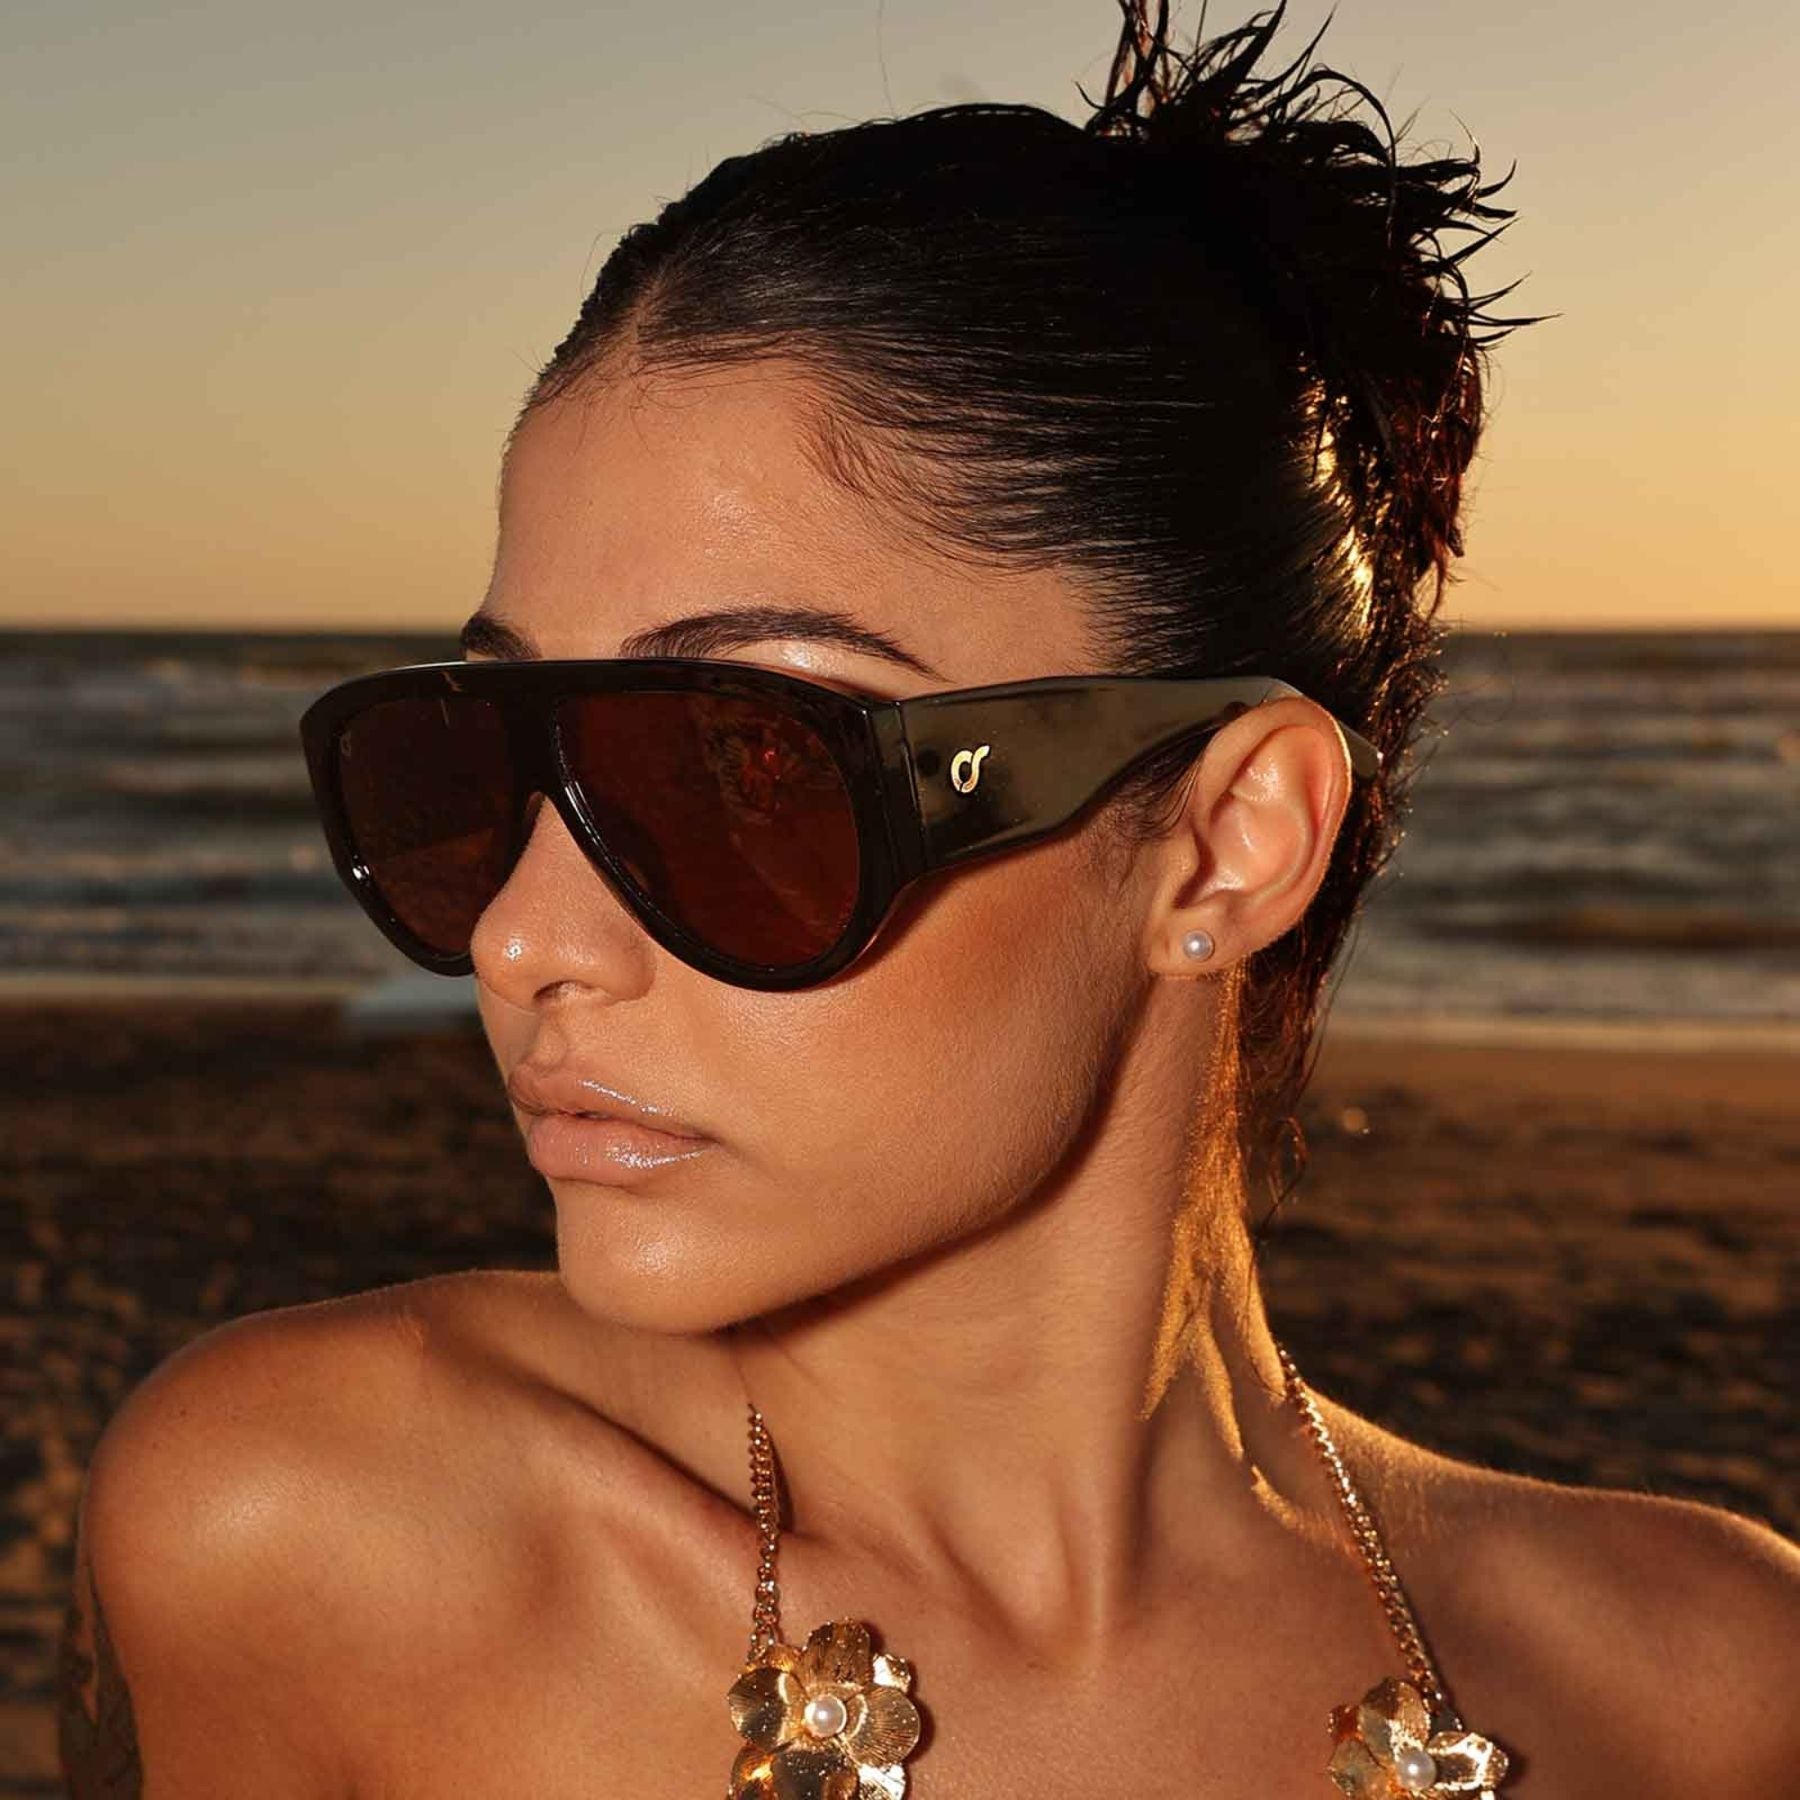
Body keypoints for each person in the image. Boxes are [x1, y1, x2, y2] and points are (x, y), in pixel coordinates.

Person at [56, 2, 1800, 1795]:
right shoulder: (305, 1548)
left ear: (1226, 840)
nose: (521, 938)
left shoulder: (1708, 1694)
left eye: (743, 766)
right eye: (486, 760)